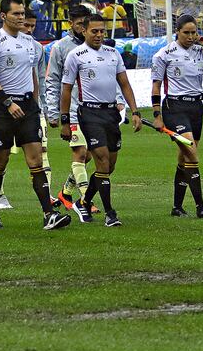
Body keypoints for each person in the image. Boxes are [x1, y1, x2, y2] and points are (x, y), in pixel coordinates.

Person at [0, 0, 71, 231]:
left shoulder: (31, 43)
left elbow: (34, 76)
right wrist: (7, 102)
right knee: (1, 161)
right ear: (3, 16)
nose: (21, 18)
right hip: (2, 108)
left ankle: (48, 214)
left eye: (23, 14)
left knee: (36, 159)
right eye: (16, 14)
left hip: (28, 107)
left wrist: (36, 103)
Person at [60, 14, 143, 227]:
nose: (98, 35)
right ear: (84, 31)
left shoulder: (113, 54)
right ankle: (110, 214)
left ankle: (84, 201)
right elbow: (67, 89)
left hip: (110, 114)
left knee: (109, 166)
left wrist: (135, 111)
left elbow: (124, 84)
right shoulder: (75, 55)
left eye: (101, 31)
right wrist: (64, 121)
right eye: (94, 31)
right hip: (89, 113)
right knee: (102, 159)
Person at [151, 14, 203, 218]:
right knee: (191, 153)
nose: (191, 36)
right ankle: (200, 206)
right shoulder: (163, 54)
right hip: (174, 107)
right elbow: (156, 86)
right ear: (177, 32)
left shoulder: (200, 52)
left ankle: (177, 207)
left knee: (185, 157)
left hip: (196, 108)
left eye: (194, 32)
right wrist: (157, 115)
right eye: (186, 32)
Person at [45, 5, 95, 212]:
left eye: (86, 23)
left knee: (91, 155)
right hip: (72, 110)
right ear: (71, 24)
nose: (83, 27)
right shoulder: (60, 47)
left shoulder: (96, 45)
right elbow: (52, 80)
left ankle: (65, 192)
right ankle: (85, 201)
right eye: (79, 23)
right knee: (80, 153)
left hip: (94, 109)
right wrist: (54, 112)